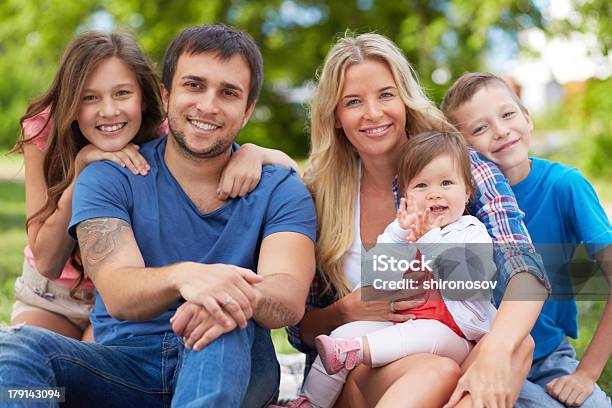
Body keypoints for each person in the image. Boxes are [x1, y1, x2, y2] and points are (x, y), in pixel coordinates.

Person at [0, 23, 316, 407]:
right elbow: (117, 289)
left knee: (220, 317)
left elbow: (287, 295)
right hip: (125, 374)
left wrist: (225, 296)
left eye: (229, 93)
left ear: (248, 110)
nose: (208, 105)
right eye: (194, 85)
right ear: (166, 95)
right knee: (17, 351)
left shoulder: (278, 187)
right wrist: (187, 276)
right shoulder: (107, 175)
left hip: (231, 365)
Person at [287, 32, 549, 408]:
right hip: (364, 367)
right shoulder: (318, 193)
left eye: (386, 94)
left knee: (515, 344)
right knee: (434, 370)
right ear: (336, 116)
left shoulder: (459, 168)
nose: (373, 113)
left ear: (405, 99)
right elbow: (300, 330)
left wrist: (495, 348)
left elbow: (523, 266)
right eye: (354, 102)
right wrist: (347, 310)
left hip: (455, 353)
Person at [285, 131, 498, 408]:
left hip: (456, 337)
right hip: (403, 325)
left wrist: (429, 240)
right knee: (341, 335)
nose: (434, 193)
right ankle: (309, 402)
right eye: (421, 186)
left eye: (447, 183)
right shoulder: (405, 232)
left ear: (467, 191)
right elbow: (376, 279)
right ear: (406, 195)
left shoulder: (471, 233)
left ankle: (358, 351)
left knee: (426, 332)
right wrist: (398, 235)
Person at [441, 71, 612, 407]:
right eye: (480, 128)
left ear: (527, 118)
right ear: (462, 147)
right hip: (480, 358)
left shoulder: (565, 186)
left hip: (550, 358)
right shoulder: (458, 203)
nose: (501, 130)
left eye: (508, 115)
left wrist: (586, 374)